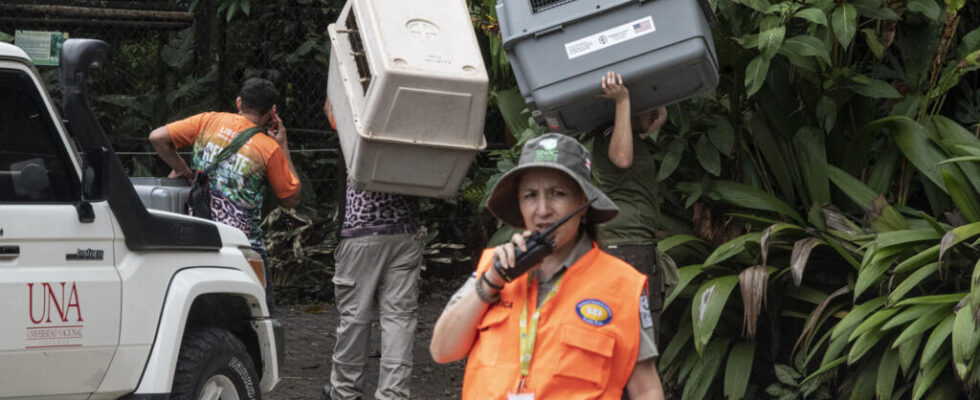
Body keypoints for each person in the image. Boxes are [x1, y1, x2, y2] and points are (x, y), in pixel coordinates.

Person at [430, 133, 665, 400]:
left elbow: (645, 388)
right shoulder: (494, 266)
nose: (542, 210)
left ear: (583, 204)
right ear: (519, 203)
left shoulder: (622, 284)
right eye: (530, 195)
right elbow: (442, 350)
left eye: (558, 194)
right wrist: (492, 281)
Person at [149, 77, 301, 307]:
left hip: (200, 236)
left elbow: (157, 138)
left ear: (239, 102)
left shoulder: (208, 121)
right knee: (259, 312)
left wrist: (183, 170)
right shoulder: (268, 148)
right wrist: (283, 145)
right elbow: (291, 199)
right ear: (272, 112)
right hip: (242, 246)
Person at [322, 98, 423, 400]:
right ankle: (393, 395)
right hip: (405, 231)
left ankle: (345, 392)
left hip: (362, 231)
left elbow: (332, 107)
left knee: (355, 317)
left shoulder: (358, 115)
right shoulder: (416, 120)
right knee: (399, 318)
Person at [591, 71, 670, 336]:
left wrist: (656, 113)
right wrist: (623, 101)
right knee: (636, 336)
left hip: (633, 247)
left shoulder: (631, 137)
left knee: (641, 333)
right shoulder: (609, 133)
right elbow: (623, 158)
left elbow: (640, 135)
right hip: (625, 249)